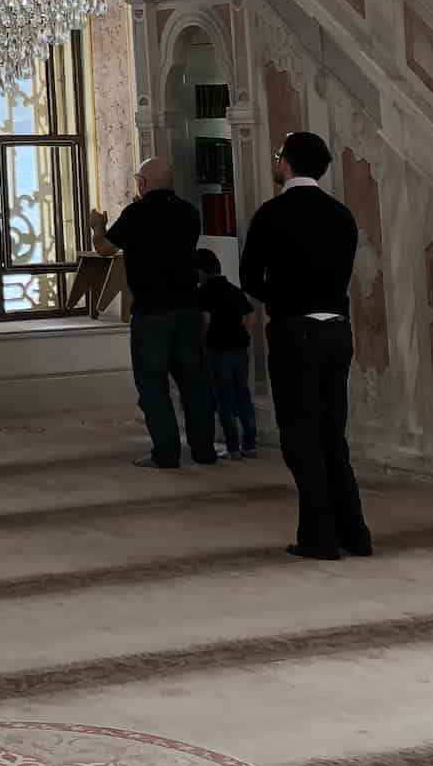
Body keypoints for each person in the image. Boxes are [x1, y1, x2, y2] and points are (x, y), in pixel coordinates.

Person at [241, 131, 372, 561]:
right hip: (337, 331)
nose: (275, 162)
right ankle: (355, 533)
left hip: (294, 332)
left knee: (300, 435)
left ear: (286, 164)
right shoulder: (341, 215)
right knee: (333, 432)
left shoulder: (272, 213)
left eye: (278, 156)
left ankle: (319, 537)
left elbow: (249, 278)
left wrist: (281, 299)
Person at [108, 155, 219, 468]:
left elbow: (106, 248)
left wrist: (98, 226)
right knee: (194, 384)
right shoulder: (189, 213)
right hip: (187, 308)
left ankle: (167, 453)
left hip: (151, 312)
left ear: (143, 183)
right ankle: (204, 451)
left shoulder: (135, 214)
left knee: (153, 386)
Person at [195, 247, 258, 460]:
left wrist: (202, 343)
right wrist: (243, 336)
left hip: (218, 350)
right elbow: (250, 316)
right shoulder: (234, 289)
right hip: (240, 350)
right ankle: (250, 445)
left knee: (224, 399)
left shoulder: (203, 293)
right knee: (243, 396)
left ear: (201, 272)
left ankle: (232, 448)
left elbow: (205, 320)